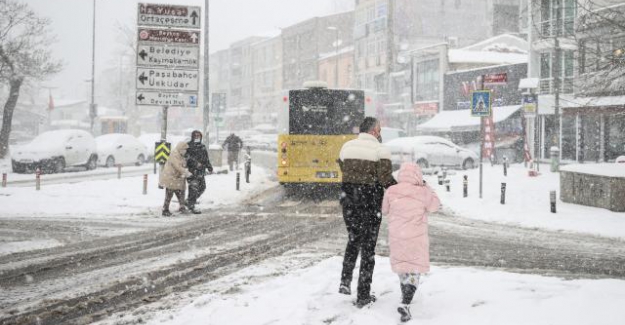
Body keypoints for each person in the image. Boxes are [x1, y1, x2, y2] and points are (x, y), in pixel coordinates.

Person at [337, 117, 397, 308]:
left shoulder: (346, 147)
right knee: (368, 248)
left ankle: (345, 281)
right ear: (372, 132)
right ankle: (363, 294)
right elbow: (386, 179)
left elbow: (343, 167)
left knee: (354, 238)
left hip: (348, 201)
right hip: (370, 202)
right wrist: (403, 189)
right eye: (379, 130)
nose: (380, 134)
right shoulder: (381, 150)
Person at [382, 162, 440, 322]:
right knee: (414, 270)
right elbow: (435, 206)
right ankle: (406, 302)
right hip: (416, 238)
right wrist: (428, 187)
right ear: (417, 175)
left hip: (397, 237)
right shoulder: (422, 191)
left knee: (403, 267)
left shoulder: (391, 190)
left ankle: (404, 295)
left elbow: (384, 210)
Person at [158, 142, 192, 217]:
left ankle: (182, 207)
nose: (185, 151)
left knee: (180, 192)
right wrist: (186, 172)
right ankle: (165, 210)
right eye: (184, 149)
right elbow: (178, 166)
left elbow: (183, 165)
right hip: (170, 177)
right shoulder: (174, 155)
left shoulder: (181, 155)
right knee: (170, 193)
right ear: (180, 148)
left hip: (176, 178)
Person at [185, 130, 213, 214]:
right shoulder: (188, 146)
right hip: (192, 171)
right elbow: (186, 157)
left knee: (202, 187)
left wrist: (209, 167)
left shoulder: (202, 146)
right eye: (195, 135)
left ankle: (189, 201)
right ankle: (191, 205)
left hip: (201, 172)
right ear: (192, 136)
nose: (197, 137)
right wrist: (195, 163)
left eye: (199, 136)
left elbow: (206, 158)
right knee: (193, 188)